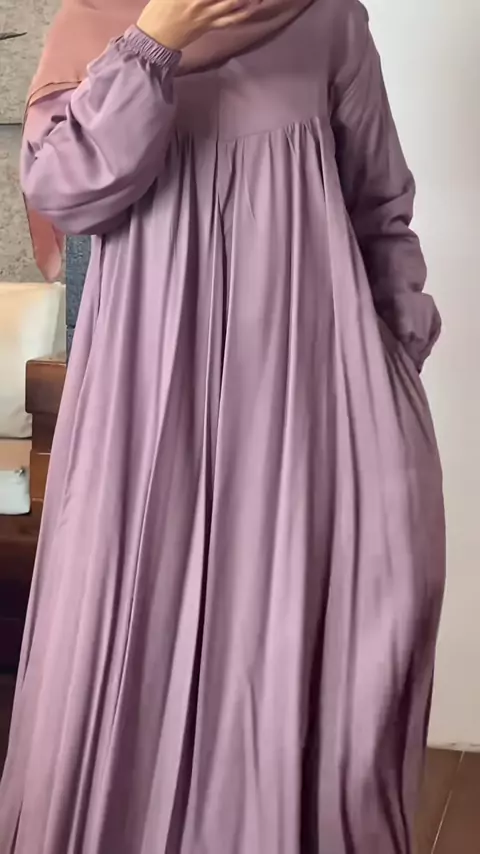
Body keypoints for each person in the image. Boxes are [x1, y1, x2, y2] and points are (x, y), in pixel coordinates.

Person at [0, 0, 445, 851]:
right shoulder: (97, 20)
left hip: (307, 415)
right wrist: (156, 41)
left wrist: (395, 366)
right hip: (143, 422)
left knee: (315, 658)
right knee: (126, 652)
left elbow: (380, 211)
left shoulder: (325, 19)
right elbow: (64, 190)